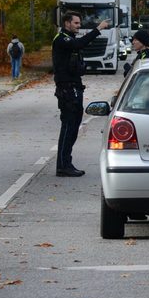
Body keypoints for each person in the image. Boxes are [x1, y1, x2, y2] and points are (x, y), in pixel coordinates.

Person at [53, 11, 110, 177]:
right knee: (69, 126)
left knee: (74, 126)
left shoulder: (70, 39)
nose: (79, 26)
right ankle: (63, 165)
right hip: (67, 89)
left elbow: (79, 47)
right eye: (76, 23)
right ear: (67, 23)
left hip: (74, 87)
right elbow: (79, 44)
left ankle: (66, 163)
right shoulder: (62, 39)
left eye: (79, 23)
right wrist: (98, 29)